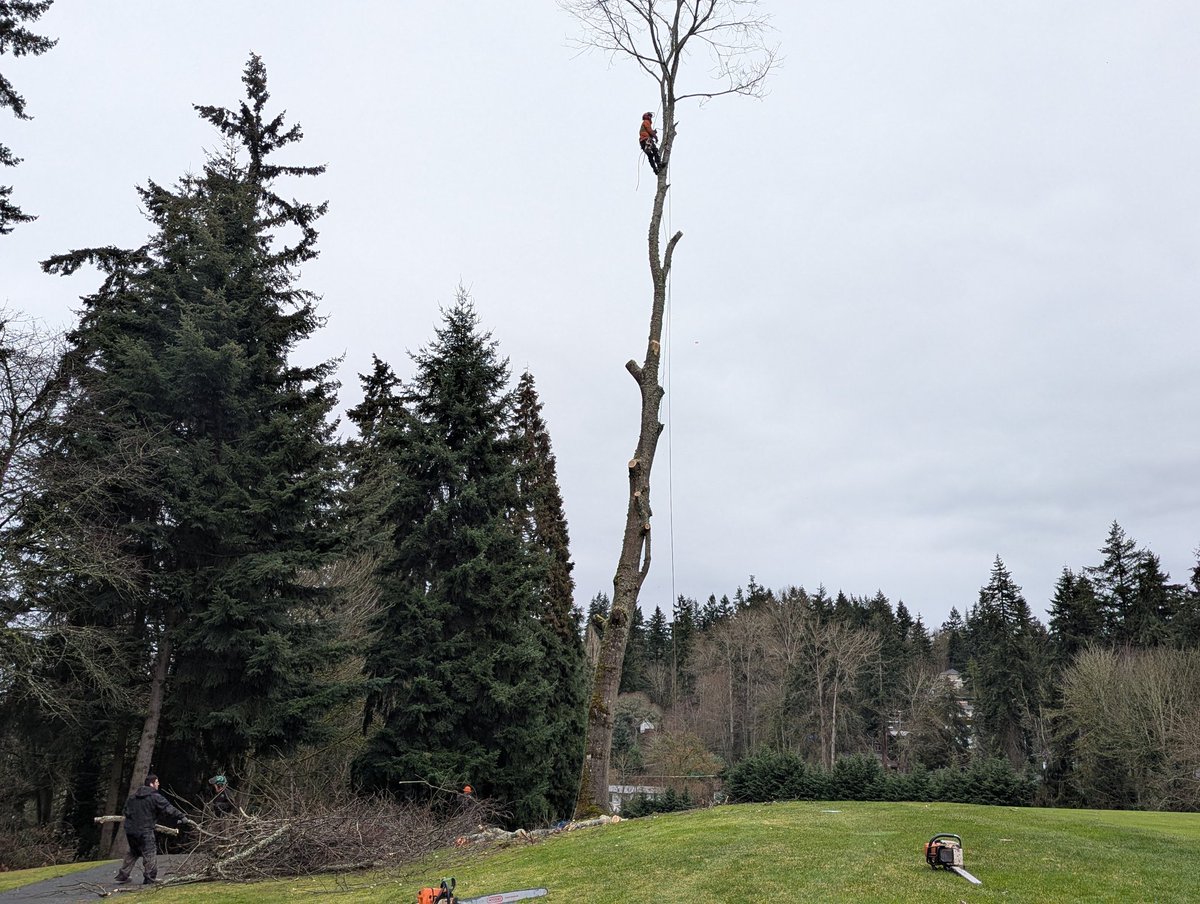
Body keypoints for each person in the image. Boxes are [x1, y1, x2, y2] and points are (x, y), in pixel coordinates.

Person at [115, 774, 190, 885]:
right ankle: (150, 877)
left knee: (134, 851)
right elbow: (168, 808)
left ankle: (123, 874)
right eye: (157, 782)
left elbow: (126, 811)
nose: (158, 784)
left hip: (130, 830)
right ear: (151, 784)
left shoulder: (132, 798)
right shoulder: (155, 797)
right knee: (149, 852)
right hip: (145, 831)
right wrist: (182, 817)